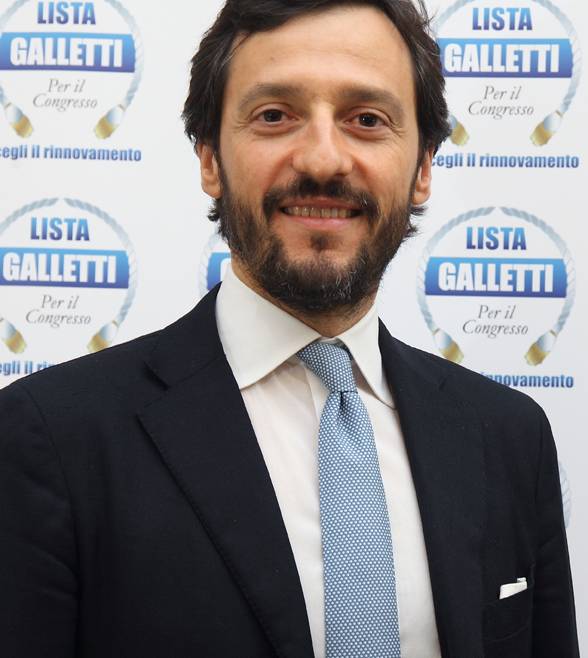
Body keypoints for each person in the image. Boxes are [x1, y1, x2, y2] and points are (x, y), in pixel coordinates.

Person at [0, 1, 578, 656]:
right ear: (210, 159)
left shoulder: (510, 437)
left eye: (367, 119)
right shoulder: (52, 438)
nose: (324, 160)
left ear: (422, 168)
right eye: (275, 116)